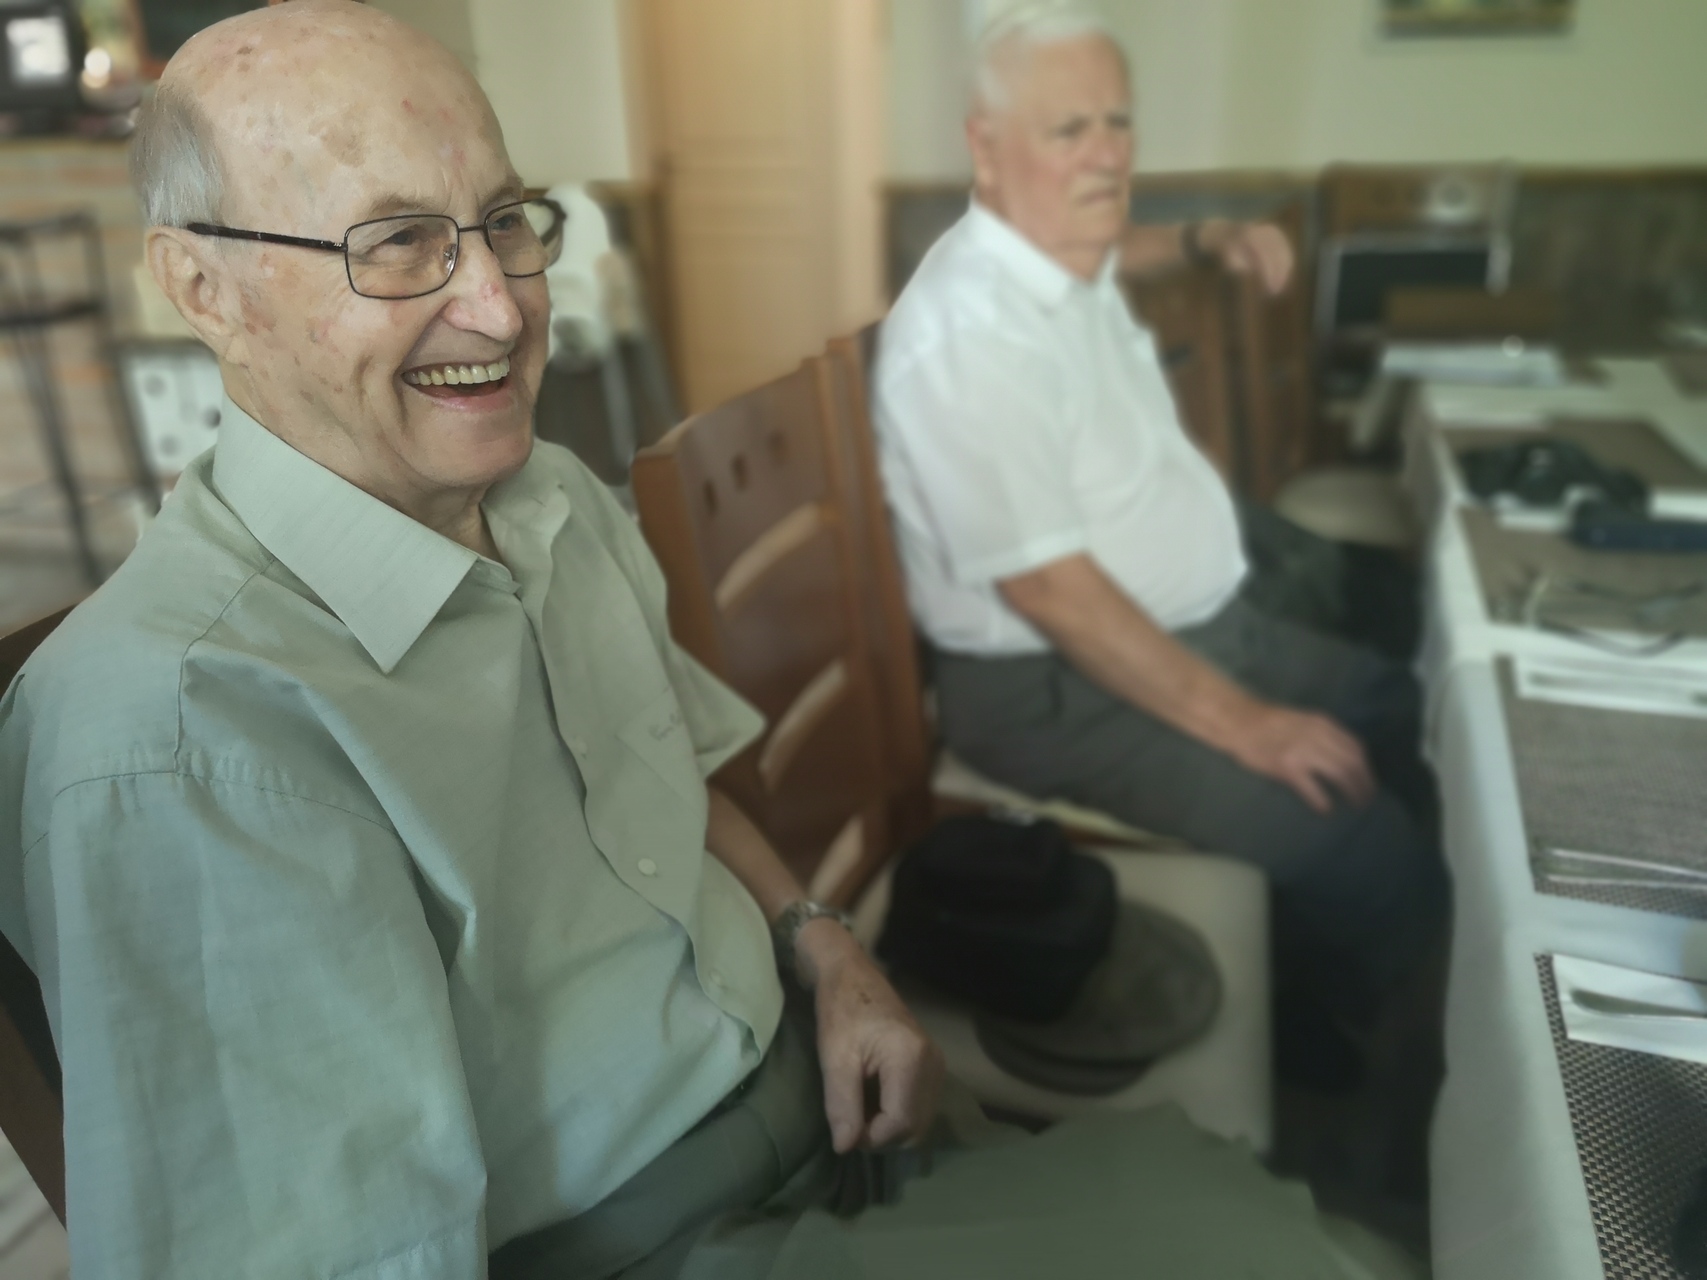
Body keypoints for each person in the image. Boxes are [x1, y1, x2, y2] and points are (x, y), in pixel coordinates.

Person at [0, 3, 1421, 1276]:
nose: (500, 305)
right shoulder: (178, 741)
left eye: (504, 220)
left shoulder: (550, 500)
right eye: (397, 243)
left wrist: (823, 946)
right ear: (202, 288)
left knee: (1278, 1224)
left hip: (832, 1106)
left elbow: (667, 765)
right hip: (664, 1235)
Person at [873, 5, 1447, 1085]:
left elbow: (1115, 245)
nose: (1106, 155)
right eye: (1068, 129)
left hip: (1178, 624)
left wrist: (1199, 237)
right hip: (1053, 684)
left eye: (1117, 121)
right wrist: (1247, 724)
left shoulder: (1054, 249)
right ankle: (1372, 1081)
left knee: (1395, 701)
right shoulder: (966, 338)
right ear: (986, 149)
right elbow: (1049, 591)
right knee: (1360, 842)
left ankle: (1323, 970)